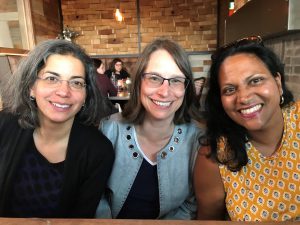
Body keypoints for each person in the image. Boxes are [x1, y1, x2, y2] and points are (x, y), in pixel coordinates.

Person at [0, 39, 114, 218]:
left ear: (86, 95)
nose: (63, 91)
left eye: (76, 83)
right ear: (31, 87)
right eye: (52, 78)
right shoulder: (4, 126)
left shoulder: (98, 150)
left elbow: (80, 219)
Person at [96, 38, 204, 219]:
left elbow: (191, 204)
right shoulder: (109, 129)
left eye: (176, 80)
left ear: (186, 88)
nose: (164, 91)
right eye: (154, 78)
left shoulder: (198, 139)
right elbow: (96, 196)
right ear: (138, 82)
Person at [194, 36, 299, 221]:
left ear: (278, 82)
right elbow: (209, 220)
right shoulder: (215, 156)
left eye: (255, 80)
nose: (243, 97)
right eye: (229, 89)